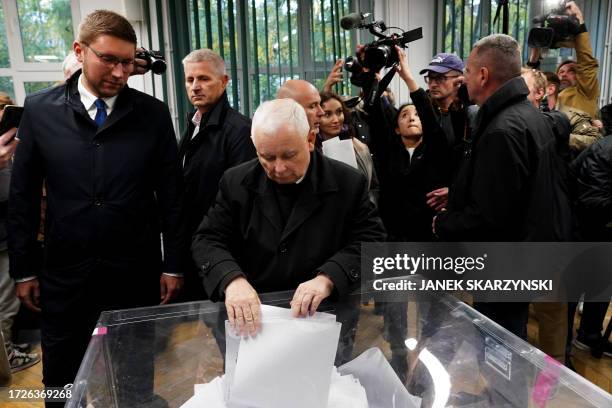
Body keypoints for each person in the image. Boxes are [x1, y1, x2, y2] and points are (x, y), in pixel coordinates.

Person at [8, 10, 182, 405]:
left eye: (126, 61)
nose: (120, 72)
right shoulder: (40, 110)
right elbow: (23, 195)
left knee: (136, 379)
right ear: (79, 51)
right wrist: (23, 269)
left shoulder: (152, 115)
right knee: (60, 383)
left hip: (134, 274)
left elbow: (172, 196)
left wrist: (172, 263)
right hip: (65, 274)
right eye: (108, 59)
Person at [191, 98, 385, 335]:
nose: (278, 168)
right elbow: (207, 240)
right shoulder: (235, 181)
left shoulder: (348, 182)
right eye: (267, 157)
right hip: (252, 320)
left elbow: (372, 242)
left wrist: (329, 277)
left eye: (289, 155)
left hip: (323, 317)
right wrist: (232, 280)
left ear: (310, 140)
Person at [434, 34, 573, 339]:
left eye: (467, 72)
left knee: (498, 344)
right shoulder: (528, 115)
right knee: (507, 340)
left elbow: (492, 216)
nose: (462, 81)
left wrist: (445, 222)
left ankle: (500, 390)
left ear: (483, 75)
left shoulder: (502, 129)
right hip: (527, 257)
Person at [178, 49, 255, 300]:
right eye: (190, 80)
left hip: (225, 251)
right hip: (196, 243)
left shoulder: (239, 130)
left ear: (224, 82)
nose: (195, 87)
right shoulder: (194, 125)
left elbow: (242, 200)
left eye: (204, 79)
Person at [0, 93, 40, 375]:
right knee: (5, 304)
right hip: (2, 240)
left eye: (6, 110)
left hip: (9, 238)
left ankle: (7, 348)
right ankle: (5, 358)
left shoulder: (10, 147)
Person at [319, 91, 375, 195]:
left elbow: (373, 186)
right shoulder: (311, 149)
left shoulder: (359, 146)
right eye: (327, 114)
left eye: (339, 112)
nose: (336, 120)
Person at [555, 1, 599, 119]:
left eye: (571, 71)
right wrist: (536, 52)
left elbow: (587, 65)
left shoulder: (585, 93)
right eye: (561, 71)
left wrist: (579, 21)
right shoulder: (547, 95)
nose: (564, 74)